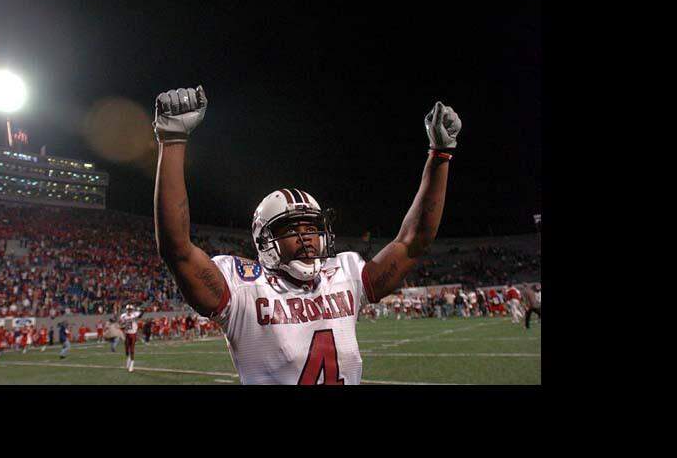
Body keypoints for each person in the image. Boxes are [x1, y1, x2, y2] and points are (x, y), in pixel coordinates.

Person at [152, 85, 459, 384]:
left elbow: (413, 243)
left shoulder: (343, 275)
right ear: (264, 240)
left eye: (311, 227)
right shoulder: (244, 288)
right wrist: (174, 140)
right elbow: (177, 250)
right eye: (291, 229)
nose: (306, 237)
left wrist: (440, 155)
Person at [119, 303, 143, 372]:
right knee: (126, 350)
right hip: (127, 334)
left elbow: (140, 316)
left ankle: (132, 364)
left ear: (132, 309)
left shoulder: (134, 314)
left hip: (133, 334)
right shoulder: (123, 316)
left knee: (132, 349)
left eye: (130, 309)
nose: (129, 311)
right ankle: (128, 358)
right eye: (128, 309)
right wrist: (122, 325)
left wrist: (142, 311)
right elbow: (121, 323)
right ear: (126, 309)